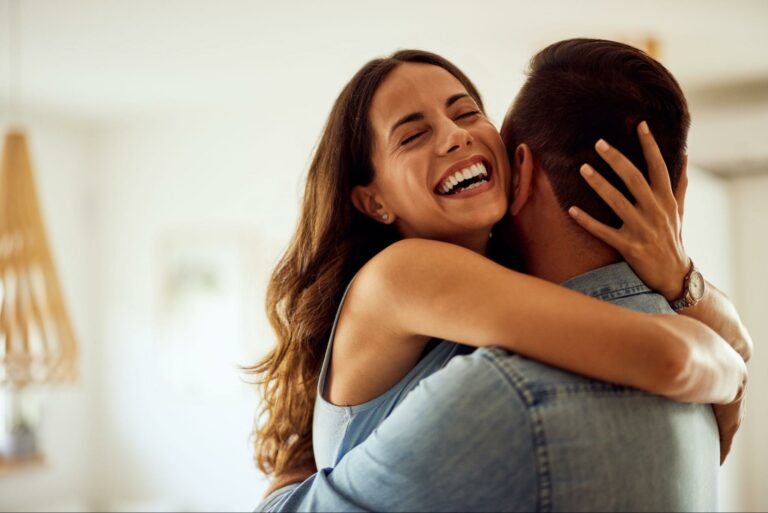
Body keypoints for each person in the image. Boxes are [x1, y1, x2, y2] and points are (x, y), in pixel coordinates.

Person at [252, 40, 751, 511]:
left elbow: (735, 340)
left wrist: (678, 274)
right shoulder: (404, 272)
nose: (455, 134)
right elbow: (670, 358)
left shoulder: (505, 280)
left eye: (466, 111)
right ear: (374, 201)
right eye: (413, 134)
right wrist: (730, 378)